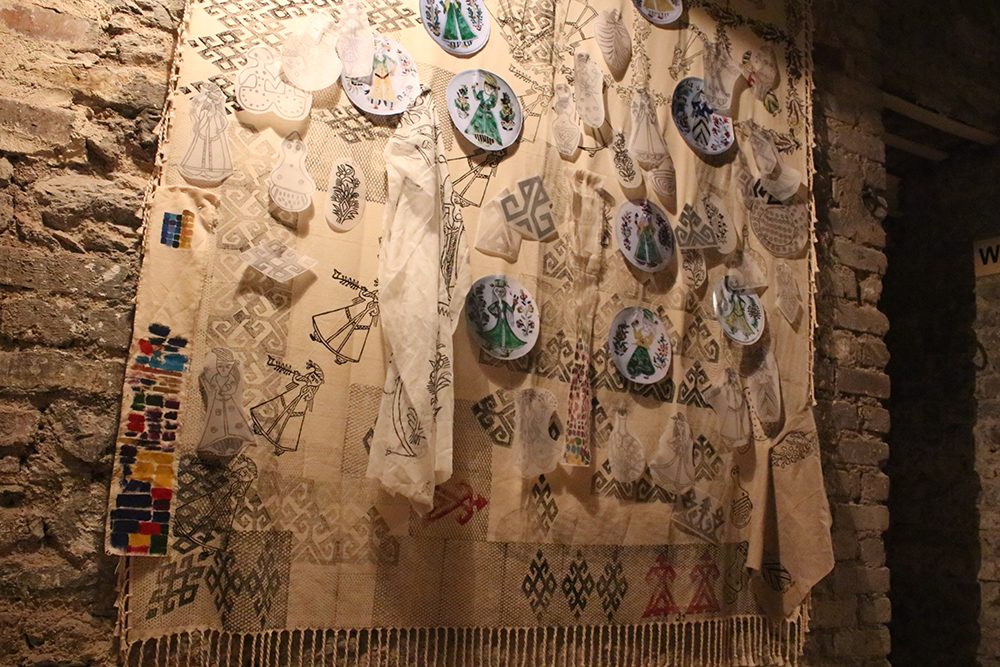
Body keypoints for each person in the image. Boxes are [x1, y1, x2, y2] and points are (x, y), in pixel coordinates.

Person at [197, 348, 255, 459]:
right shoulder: (214, 378)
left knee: (232, 426)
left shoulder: (232, 378)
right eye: (220, 366)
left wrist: (225, 391)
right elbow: (211, 388)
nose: (223, 370)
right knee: (217, 428)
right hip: (216, 408)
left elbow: (232, 388)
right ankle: (217, 446)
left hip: (229, 407)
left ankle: (232, 443)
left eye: (227, 367)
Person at [467, 73, 503, 146]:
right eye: (486, 87)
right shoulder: (481, 93)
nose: (488, 90)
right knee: (476, 124)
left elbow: (493, 105)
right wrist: (474, 89)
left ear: (493, 90)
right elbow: (477, 98)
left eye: (491, 89)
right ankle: (477, 136)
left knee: (490, 126)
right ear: (484, 85)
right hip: (480, 111)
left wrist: (496, 95)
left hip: (488, 113)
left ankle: (491, 139)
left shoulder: (492, 97)